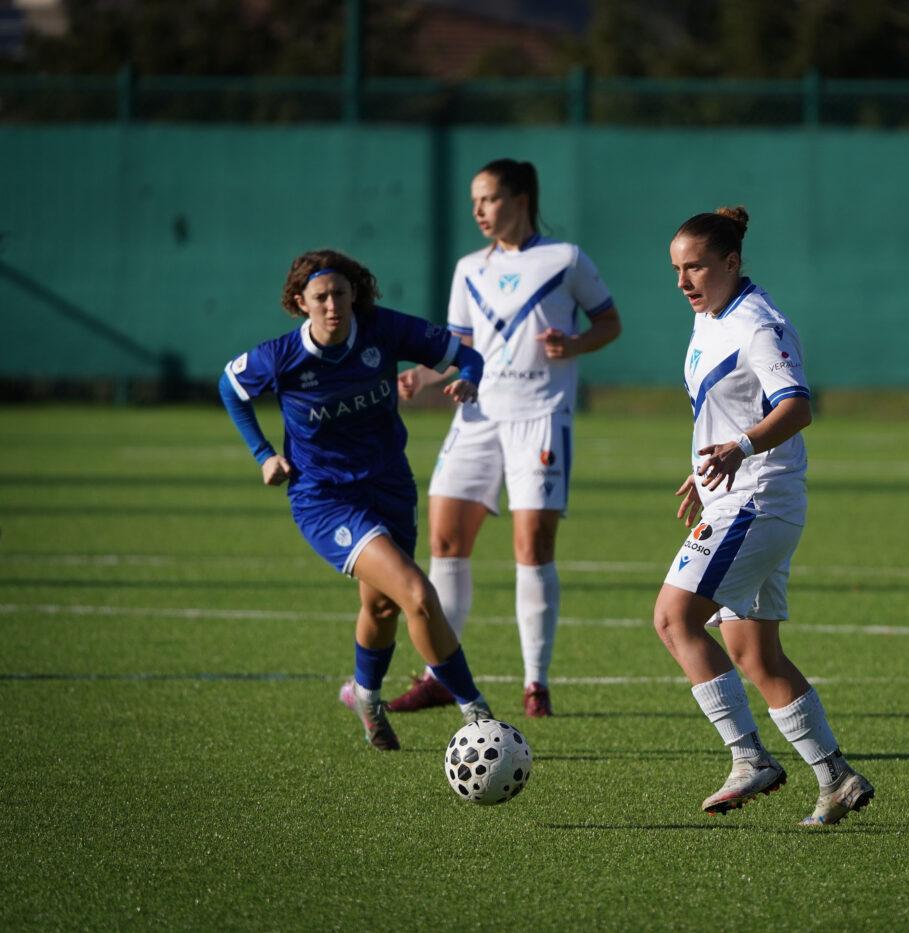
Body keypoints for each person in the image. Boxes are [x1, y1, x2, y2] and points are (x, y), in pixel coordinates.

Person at [218, 248, 493, 752]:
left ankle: (365, 697)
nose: (332, 306)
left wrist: (468, 379)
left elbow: (468, 355)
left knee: (382, 606)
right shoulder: (280, 357)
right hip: (324, 498)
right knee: (416, 593)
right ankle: (477, 713)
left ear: (354, 294)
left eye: (340, 294)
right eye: (320, 297)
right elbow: (230, 386)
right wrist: (263, 454)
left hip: (390, 484)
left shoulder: (382, 328)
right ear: (299, 302)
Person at [653, 206, 875, 826]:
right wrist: (707, 467)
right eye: (676, 269)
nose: (683, 282)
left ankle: (749, 757)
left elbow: (797, 407)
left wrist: (740, 449)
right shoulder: (709, 315)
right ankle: (836, 778)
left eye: (695, 267)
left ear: (731, 263)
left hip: (758, 500)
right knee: (754, 652)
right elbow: (728, 408)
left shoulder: (759, 324)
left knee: (673, 619)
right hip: (739, 496)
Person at [389, 158, 622, 719]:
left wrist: (575, 345)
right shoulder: (470, 267)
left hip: (540, 416)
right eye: (474, 201)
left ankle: (535, 682)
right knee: (444, 541)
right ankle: (438, 675)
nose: (479, 210)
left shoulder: (565, 259)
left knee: (532, 547)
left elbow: (609, 323)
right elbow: (461, 347)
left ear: (520, 199)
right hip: (477, 416)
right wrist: (424, 376)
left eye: (489, 199)